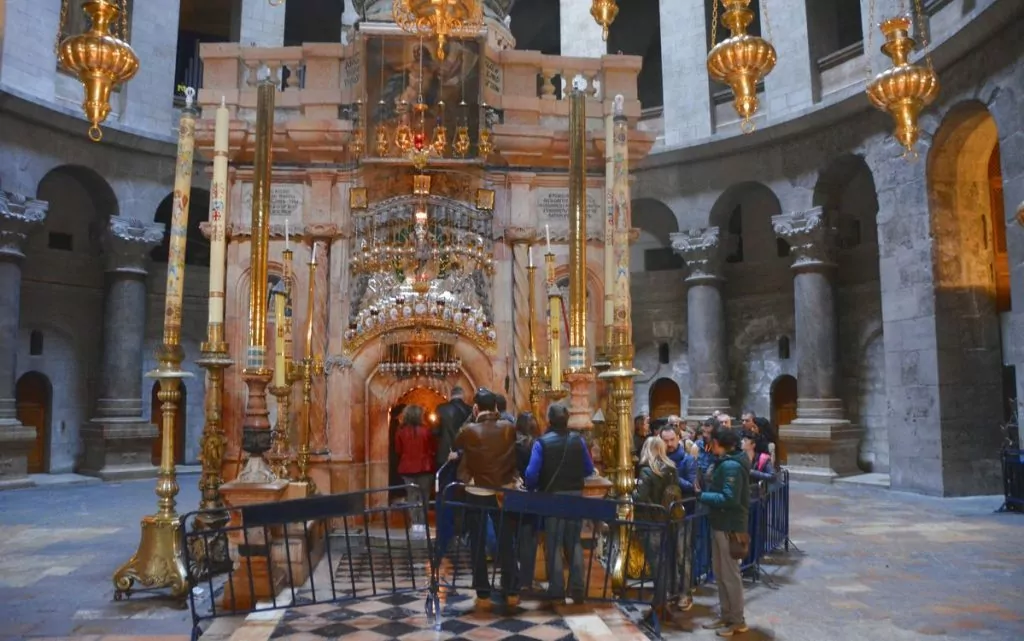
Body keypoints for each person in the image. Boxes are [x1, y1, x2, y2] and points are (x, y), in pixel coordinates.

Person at [453, 388, 518, 610]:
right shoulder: (509, 428)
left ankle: (483, 594)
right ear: (497, 408)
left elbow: (456, 442)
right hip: (502, 492)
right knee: (506, 541)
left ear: (476, 408)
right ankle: (512, 591)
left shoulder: (470, 430)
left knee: (478, 543)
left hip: (476, 491)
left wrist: (472, 417)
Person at [525, 404, 595, 606]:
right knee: (574, 543)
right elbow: (589, 468)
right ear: (567, 420)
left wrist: (533, 486)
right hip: (575, 496)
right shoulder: (578, 441)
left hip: (553, 498)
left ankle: (557, 590)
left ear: (549, 420)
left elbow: (531, 474)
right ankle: (578, 589)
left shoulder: (542, 443)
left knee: (554, 544)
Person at [698, 426, 751, 637]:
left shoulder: (731, 466)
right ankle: (726, 615)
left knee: (730, 576)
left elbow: (730, 498)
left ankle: (738, 620)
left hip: (730, 526)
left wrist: (702, 496)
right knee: (720, 574)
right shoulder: (726, 462)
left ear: (719, 443)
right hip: (720, 523)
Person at [633, 436, 676, 622]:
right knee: (663, 562)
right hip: (667, 519)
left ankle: (658, 604)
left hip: (649, 521)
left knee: (656, 563)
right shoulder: (671, 468)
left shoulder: (646, 471)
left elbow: (641, 497)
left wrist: (633, 491)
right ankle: (662, 601)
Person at [659, 425, 697, 611]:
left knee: (683, 554)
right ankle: (670, 590)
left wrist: (673, 475)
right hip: (665, 516)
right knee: (668, 554)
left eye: (672, 440)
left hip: (684, 514)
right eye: (665, 441)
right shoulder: (659, 460)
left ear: (678, 439)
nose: (669, 444)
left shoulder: (687, 460)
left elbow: (692, 486)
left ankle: (685, 593)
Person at [394, 405, 436, 536]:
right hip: (425, 468)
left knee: (412, 497)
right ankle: (423, 524)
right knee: (424, 497)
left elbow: (398, 450)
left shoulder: (400, 431)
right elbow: (433, 447)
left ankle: (415, 524)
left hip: (407, 468)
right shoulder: (427, 430)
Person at [514, 412, 540, 593]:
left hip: (516, 493)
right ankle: (526, 579)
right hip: (534, 494)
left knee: (516, 535)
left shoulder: (514, 446)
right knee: (529, 538)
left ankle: (516, 577)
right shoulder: (537, 445)